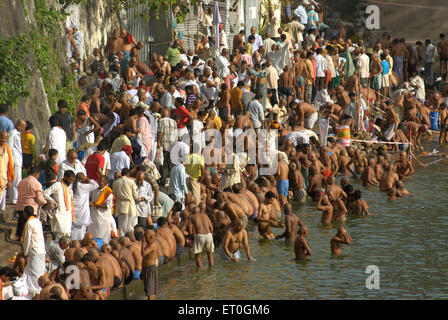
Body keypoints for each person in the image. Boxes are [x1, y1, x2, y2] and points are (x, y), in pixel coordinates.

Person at [14, 166, 47, 241]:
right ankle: (26, 238)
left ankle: (20, 236)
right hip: (30, 207)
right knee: (29, 223)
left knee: (21, 220)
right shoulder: (36, 183)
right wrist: (45, 202)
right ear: (36, 174)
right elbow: (39, 198)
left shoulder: (22, 181)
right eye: (38, 175)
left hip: (20, 206)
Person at [21, 206, 46, 298]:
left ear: (25, 213)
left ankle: (36, 293)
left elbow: (27, 239)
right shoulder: (37, 221)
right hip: (41, 249)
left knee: (35, 274)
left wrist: (25, 252)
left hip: (34, 250)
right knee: (30, 271)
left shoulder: (29, 223)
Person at [43, 170, 76, 240]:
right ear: (65, 177)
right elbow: (45, 193)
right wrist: (53, 202)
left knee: (67, 236)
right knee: (59, 237)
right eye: (70, 180)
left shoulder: (69, 188)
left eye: (72, 180)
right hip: (59, 214)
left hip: (67, 216)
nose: (71, 182)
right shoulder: (57, 185)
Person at [87, 176, 116, 243]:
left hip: (103, 218)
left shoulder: (108, 192)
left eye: (101, 181)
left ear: (105, 183)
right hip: (94, 217)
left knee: (103, 238)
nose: (99, 182)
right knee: (92, 235)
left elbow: (108, 206)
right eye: (98, 181)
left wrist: (94, 204)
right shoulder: (94, 191)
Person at [72, 173, 98, 240]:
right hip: (81, 213)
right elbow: (96, 185)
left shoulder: (71, 186)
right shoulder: (82, 187)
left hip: (73, 211)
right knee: (81, 232)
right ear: (82, 179)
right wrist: (87, 179)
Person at [113, 168, 138, 235]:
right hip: (130, 206)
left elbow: (115, 196)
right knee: (131, 226)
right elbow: (135, 196)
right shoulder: (131, 182)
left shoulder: (115, 183)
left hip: (120, 206)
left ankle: (122, 241)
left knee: (121, 226)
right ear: (128, 174)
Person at [7, 119, 25, 205]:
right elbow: (9, 147)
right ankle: (14, 198)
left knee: (18, 180)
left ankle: (16, 197)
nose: (23, 129)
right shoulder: (13, 133)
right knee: (15, 180)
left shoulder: (17, 134)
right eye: (23, 127)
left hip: (17, 160)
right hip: (14, 160)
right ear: (19, 125)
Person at [141, 229, 159, 300]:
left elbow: (143, 254)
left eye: (145, 235)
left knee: (150, 291)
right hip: (146, 269)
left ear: (151, 237)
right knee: (148, 290)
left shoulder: (152, 245)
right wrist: (142, 271)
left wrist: (142, 243)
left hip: (150, 269)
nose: (144, 236)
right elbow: (144, 258)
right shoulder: (148, 245)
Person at [0, 131, 14, 212]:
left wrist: (10, 179)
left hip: (4, 180)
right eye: (2, 138)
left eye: (5, 138)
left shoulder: (7, 149)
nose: (3, 140)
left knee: (2, 208)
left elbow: (10, 166)